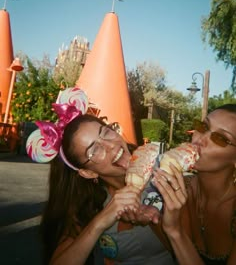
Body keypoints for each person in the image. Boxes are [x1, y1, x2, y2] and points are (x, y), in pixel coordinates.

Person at [26, 87, 176, 265]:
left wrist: (152, 219)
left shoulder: (163, 176)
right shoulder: (91, 203)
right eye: (95, 150)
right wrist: (101, 222)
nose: (111, 146)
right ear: (88, 172)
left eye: (106, 132)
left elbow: (189, 252)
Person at [152, 104, 236, 265]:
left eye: (221, 138)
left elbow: (177, 235)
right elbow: (178, 254)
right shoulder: (182, 187)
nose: (200, 139)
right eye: (203, 126)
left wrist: (174, 230)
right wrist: (152, 218)